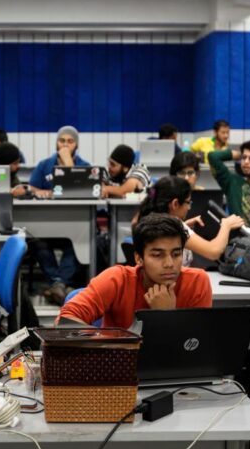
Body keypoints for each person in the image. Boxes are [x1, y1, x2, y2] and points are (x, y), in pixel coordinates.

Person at [57, 214, 212, 328]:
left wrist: (166, 317)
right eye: (157, 255)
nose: (169, 264)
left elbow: (199, 343)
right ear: (139, 258)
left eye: (176, 254)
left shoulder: (197, 281)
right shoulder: (117, 279)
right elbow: (65, 320)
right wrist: (104, 345)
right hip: (117, 360)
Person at [28, 126, 90, 303]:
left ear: (76, 145)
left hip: (75, 226)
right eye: (61, 140)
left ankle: (57, 285)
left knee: (80, 242)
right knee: (36, 242)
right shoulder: (44, 165)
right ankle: (61, 285)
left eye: (70, 141)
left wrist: (68, 162)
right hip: (46, 225)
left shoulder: (84, 166)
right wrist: (39, 192)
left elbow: (79, 189)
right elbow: (31, 187)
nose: (65, 145)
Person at [136, 177, 244, 264]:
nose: (189, 207)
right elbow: (213, 252)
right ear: (175, 204)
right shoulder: (176, 226)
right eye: (188, 202)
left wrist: (185, 225)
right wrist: (226, 225)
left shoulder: (151, 220)